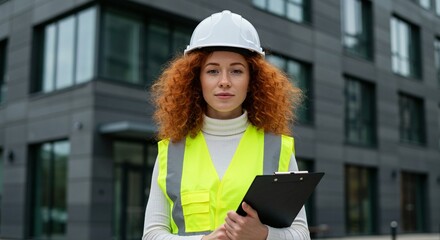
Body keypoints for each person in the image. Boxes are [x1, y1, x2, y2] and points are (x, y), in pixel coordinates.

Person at [142, 10, 309, 240]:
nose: (224, 82)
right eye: (212, 71)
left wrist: (263, 235)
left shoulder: (277, 148)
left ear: (252, 80)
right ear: (196, 79)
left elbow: (301, 235)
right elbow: (151, 235)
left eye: (236, 71)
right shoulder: (171, 151)